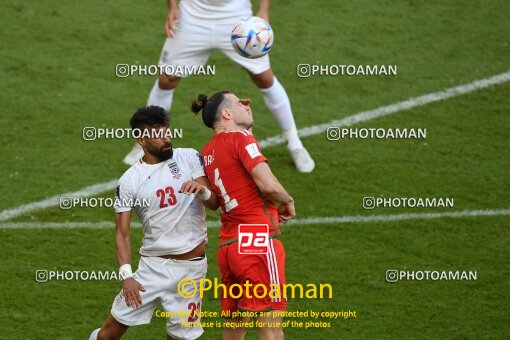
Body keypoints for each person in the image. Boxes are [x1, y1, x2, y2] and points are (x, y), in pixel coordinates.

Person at [123, 0, 315, 173]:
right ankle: (148, 142)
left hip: (237, 18)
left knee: (264, 78)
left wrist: (264, 10)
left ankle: (294, 142)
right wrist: (172, 6)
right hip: (192, 16)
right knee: (167, 80)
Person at [90, 106, 218, 340]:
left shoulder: (188, 157)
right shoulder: (130, 180)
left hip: (192, 271)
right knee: (108, 335)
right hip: (151, 270)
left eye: (167, 132)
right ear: (141, 140)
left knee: (180, 338)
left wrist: (203, 191)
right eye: (158, 134)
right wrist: (127, 276)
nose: (166, 138)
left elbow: (214, 203)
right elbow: (122, 233)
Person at [191, 91, 295, 340]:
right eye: (240, 103)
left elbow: (214, 203)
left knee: (235, 327)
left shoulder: (207, 151)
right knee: (272, 326)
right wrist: (288, 200)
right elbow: (267, 184)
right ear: (226, 114)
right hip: (256, 239)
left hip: (228, 245)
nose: (247, 105)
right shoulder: (241, 138)